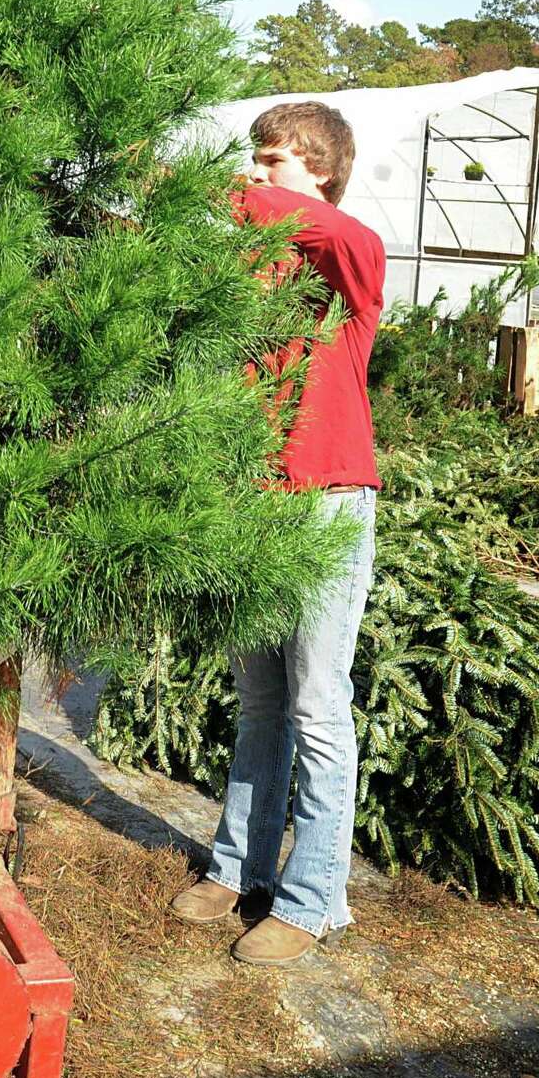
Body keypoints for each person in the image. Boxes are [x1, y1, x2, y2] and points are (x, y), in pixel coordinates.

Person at [170, 99, 384, 966]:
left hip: (328, 503)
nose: (259, 176)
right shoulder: (250, 292)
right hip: (256, 505)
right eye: (253, 163)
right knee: (260, 701)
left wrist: (209, 190)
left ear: (322, 171)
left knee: (317, 704)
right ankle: (239, 868)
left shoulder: (348, 265)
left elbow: (335, 236)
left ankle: (309, 901)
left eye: (274, 162)